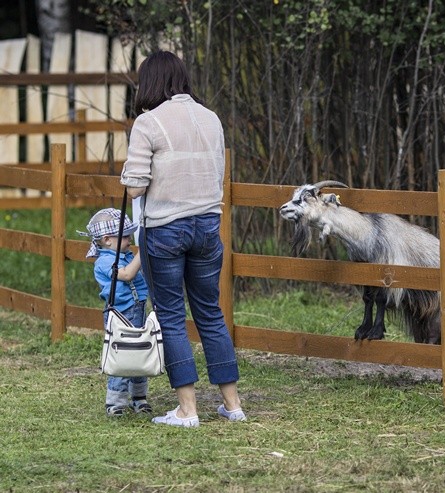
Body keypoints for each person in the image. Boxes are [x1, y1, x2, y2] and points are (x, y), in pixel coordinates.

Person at [120, 50, 244, 427]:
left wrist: (129, 174)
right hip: (208, 225)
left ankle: (187, 410)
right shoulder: (211, 118)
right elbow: (218, 173)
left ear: (150, 82)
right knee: (210, 314)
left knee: (172, 317)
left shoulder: (147, 123)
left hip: (165, 229)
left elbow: (136, 187)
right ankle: (232, 404)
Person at [78, 208, 151, 417]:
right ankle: (115, 401)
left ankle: (139, 397)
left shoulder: (126, 255)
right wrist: (143, 250)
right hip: (120, 313)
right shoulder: (104, 261)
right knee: (122, 356)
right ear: (107, 240)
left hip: (138, 309)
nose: (129, 239)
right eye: (125, 236)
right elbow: (127, 275)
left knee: (139, 354)